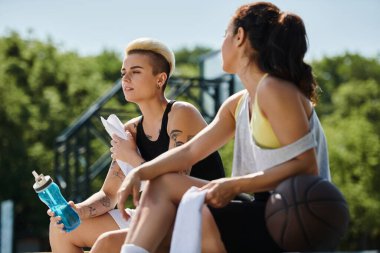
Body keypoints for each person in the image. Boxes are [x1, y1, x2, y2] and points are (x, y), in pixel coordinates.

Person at [116, 2, 331, 253]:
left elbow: (306, 166)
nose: (221, 44)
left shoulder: (274, 89)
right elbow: (189, 152)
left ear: (239, 37)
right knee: (124, 230)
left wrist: (235, 185)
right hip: (265, 209)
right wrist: (139, 173)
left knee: (168, 191)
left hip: (294, 216)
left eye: (225, 35)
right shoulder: (238, 103)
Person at [48, 38, 225, 253]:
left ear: (160, 79)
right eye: (123, 72)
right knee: (63, 228)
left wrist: (131, 156)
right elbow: (109, 194)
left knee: (107, 243)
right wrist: (78, 211)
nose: (126, 78)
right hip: (154, 216)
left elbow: (173, 183)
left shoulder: (181, 113)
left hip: (196, 214)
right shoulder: (130, 129)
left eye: (136, 71)